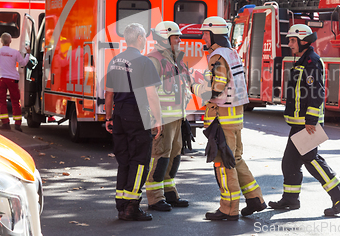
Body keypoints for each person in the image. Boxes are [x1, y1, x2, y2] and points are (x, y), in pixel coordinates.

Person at [269, 24, 340, 216]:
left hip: (307, 123)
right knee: (289, 162)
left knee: (311, 160)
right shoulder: (303, 61)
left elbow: (316, 92)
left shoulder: (312, 62)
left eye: (292, 41)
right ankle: (290, 199)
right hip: (298, 123)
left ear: (303, 41)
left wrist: (311, 121)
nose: (289, 44)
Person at [192, 16, 266, 221]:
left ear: (214, 34)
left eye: (205, 33)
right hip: (235, 118)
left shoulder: (217, 56)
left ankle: (229, 208)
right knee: (236, 159)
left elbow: (216, 89)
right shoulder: (232, 53)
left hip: (221, 120)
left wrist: (195, 86)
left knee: (224, 164)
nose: (202, 38)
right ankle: (254, 199)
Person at [105, 23, 162, 221]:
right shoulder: (144, 62)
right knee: (139, 162)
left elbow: (109, 94)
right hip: (138, 115)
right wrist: (158, 119)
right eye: (144, 37)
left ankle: (121, 205)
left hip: (119, 116)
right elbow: (151, 94)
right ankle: (132, 207)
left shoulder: (115, 61)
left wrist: (108, 117)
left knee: (124, 161)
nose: (145, 41)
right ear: (138, 38)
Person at [145, 22, 191, 211]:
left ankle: (170, 192)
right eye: (176, 37)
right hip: (162, 118)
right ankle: (155, 197)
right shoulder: (153, 60)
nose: (180, 40)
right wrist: (154, 119)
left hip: (177, 117)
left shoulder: (175, 59)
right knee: (160, 156)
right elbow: (148, 92)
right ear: (165, 39)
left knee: (174, 155)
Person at [0, 33, 30, 131]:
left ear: (1, 41)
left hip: (1, 78)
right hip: (12, 78)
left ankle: (5, 123)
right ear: (10, 41)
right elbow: (23, 63)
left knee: (2, 101)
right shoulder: (15, 52)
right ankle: (18, 124)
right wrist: (28, 54)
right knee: (15, 101)